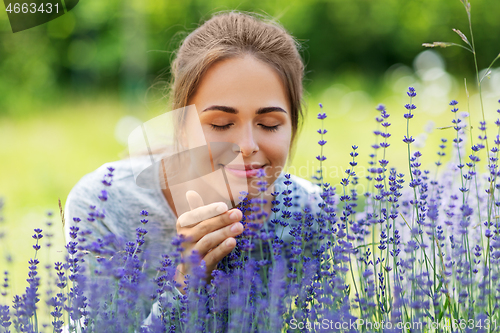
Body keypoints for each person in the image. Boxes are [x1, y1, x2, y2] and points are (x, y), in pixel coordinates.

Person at [64, 10, 324, 328]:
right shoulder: (104, 203)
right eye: (221, 123)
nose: (246, 145)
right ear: (180, 126)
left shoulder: (310, 210)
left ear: (293, 129)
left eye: (269, 125)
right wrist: (183, 286)